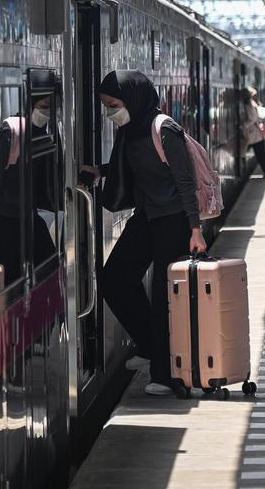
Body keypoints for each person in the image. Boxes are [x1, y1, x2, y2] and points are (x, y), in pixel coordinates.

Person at [81, 70, 207, 396]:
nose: (110, 112)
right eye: (106, 106)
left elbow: (185, 182)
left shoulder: (164, 128)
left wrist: (196, 230)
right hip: (147, 216)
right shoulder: (131, 129)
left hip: (175, 219)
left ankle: (166, 376)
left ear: (133, 98)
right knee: (113, 278)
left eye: (113, 105)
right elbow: (133, 164)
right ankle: (150, 345)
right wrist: (100, 171)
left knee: (166, 297)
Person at [0, 96, 58, 285]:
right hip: (5, 222)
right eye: (43, 106)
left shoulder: (46, 132)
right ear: (30, 104)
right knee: (12, 280)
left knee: (51, 270)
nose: (47, 113)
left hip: (29, 217)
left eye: (51, 108)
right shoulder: (11, 132)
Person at [242, 88, 265, 178]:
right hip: (255, 134)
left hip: (254, 134)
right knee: (261, 153)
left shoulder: (248, 105)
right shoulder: (251, 104)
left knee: (260, 153)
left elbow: (252, 119)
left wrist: (244, 126)